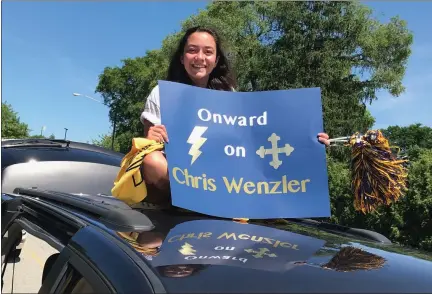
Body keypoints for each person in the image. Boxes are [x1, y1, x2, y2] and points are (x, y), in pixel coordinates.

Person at [139, 26, 330, 203]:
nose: (199, 57)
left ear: (216, 60)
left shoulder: (229, 95)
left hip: (221, 177)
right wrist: (151, 137)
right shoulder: (161, 93)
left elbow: (253, 140)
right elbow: (148, 149)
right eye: (192, 50)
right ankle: (190, 202)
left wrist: (309, 142)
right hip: (178, 179)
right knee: (152, 162)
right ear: (182, 58)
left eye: (208, 51)